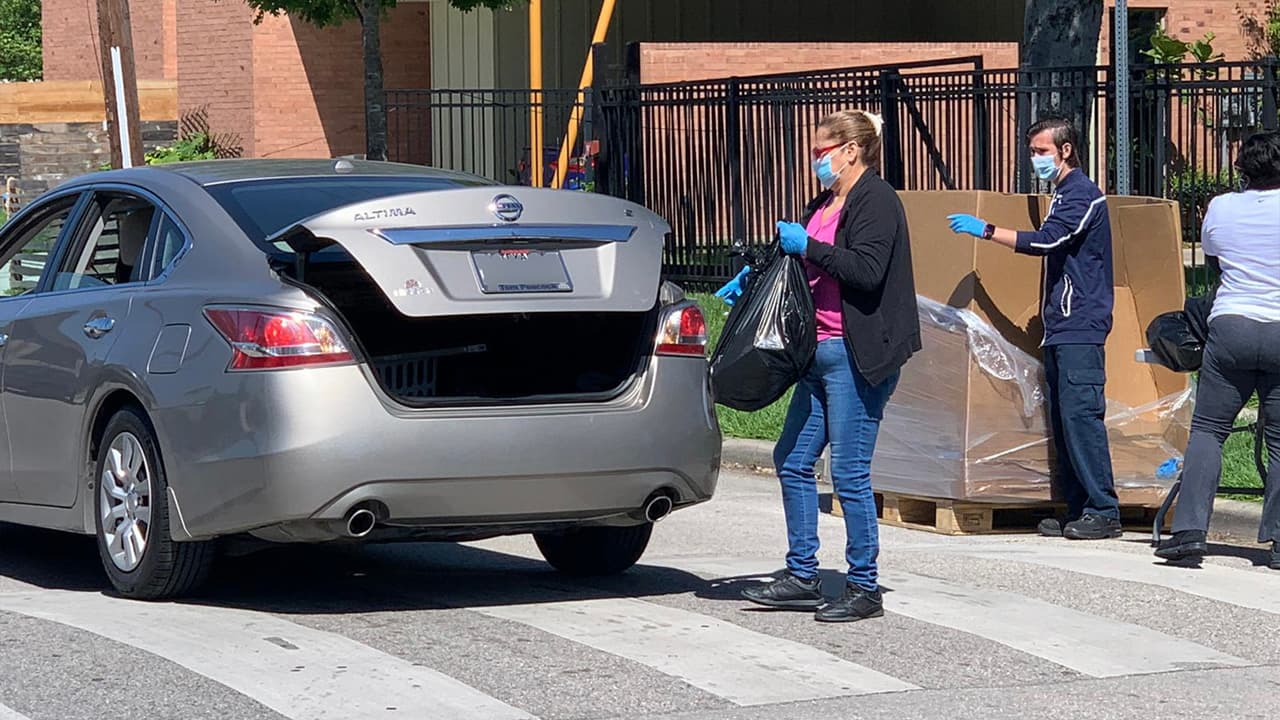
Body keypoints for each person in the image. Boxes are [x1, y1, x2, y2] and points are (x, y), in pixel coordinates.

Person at [715, 109, 921, 623]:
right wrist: (755, 275)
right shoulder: (825, 202)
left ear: (851, 151)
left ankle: (863, 586)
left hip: (857, 355)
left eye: (821, 151)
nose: (815, 161)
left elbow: (867, 271)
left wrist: (810, 245)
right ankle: (803, 575)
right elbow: (802, 262)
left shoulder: (878, 200)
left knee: (849, 472)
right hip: (818, 352)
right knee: (792, 459)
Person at [946, 117, 1122, 540]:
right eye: (1032, 152)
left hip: (1081, 325)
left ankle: (1104, 509)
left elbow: (1047, 242)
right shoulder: (1061, 195)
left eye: (1042, 151)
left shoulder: (1082, 194)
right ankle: (1078, 506)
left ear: (1065, 150)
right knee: (1063, 421)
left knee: (1082, 417)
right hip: (1060, 326)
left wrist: (986, 230)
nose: (1035, 159)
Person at [1154, 131, 1280, 569]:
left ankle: (1189, 532)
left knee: (1209, 430)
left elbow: (1214, 260)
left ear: (1243, 169)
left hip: (1231, 326)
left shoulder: (1222, 207)